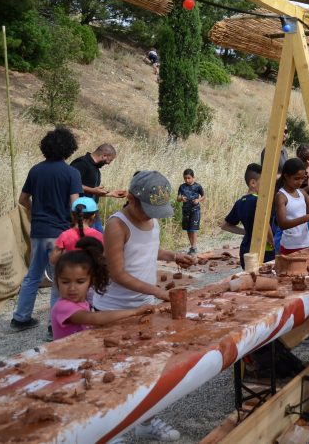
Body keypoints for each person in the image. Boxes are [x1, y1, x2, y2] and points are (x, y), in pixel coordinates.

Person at [96, 170, 193, 442]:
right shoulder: (117, 225)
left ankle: (145, 422)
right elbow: (117, 272)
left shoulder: (153, 220)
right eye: (147, 209)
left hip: (144, 306)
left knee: (148, 369)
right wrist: (156, 291)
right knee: (114, 371)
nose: (152, 215)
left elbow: (148, 249)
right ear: (131, 199)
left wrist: (173, 255)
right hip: (114, 310)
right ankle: (108, 430)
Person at [11, 127, 82, 334]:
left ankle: (20, 318)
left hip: (38, 231)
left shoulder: (36, 170)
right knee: (59, 278)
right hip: (59, 232)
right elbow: (75, 205)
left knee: (33, 274)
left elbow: (23, 200)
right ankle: (55, 325)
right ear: (69, 149)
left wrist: (35, 215)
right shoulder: (72, 173)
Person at [51, 236, 152, 340]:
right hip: (66, 356)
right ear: (57, 281)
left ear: (91, 282)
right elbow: (95, 318)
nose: (72, 288)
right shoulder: (62, 307)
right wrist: (134, 312)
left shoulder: (82, 303)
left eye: (80, 282)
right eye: (65, 282)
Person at [220, 164, 276, 266]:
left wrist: (245, 232)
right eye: (263, 182)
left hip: (245, 251)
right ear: (253, 183)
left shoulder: (240, 202)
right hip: (264, 251)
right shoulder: (260, 201)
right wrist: (273, 243)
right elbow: (265, 225)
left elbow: (225, 225)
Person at [70, 144, 126, 232]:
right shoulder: (81, 163)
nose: (108, 163)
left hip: (93, 212)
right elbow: (70, 183)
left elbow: (93, 192)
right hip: (82, 213)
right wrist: (92, 190)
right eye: (110, 160)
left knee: (99, 240)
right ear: (104, 155)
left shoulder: (95, 168)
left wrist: (111, 193)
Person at [275, 158, 309, 255]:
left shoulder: (302, 192)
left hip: (306, 242)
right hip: (290, 246)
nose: (300, 182)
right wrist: (307, 217)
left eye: (302, 178)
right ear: (286, 176)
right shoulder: (281, 196)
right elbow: (282, 224)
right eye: (296, 178)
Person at [50, 197, 105, 265]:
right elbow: (104, 258)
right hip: (92, 274)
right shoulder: (99, 236)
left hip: (71, 272)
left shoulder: (65, 235)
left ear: (72, 215)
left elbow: (53, 260)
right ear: (93, 216)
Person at [177, 169, 205, 255]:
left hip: (195, 210)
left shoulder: (198, 186)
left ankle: (194, 247)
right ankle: (192, 246)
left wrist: (198, 200)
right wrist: (181, 198)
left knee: (193, 229)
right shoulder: (182, 187)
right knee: (188, 229)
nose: (187, 180)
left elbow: (203, 196)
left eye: (189, 178)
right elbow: (177, 198)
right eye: (185, 178)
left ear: (193, 177)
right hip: (186, 210)